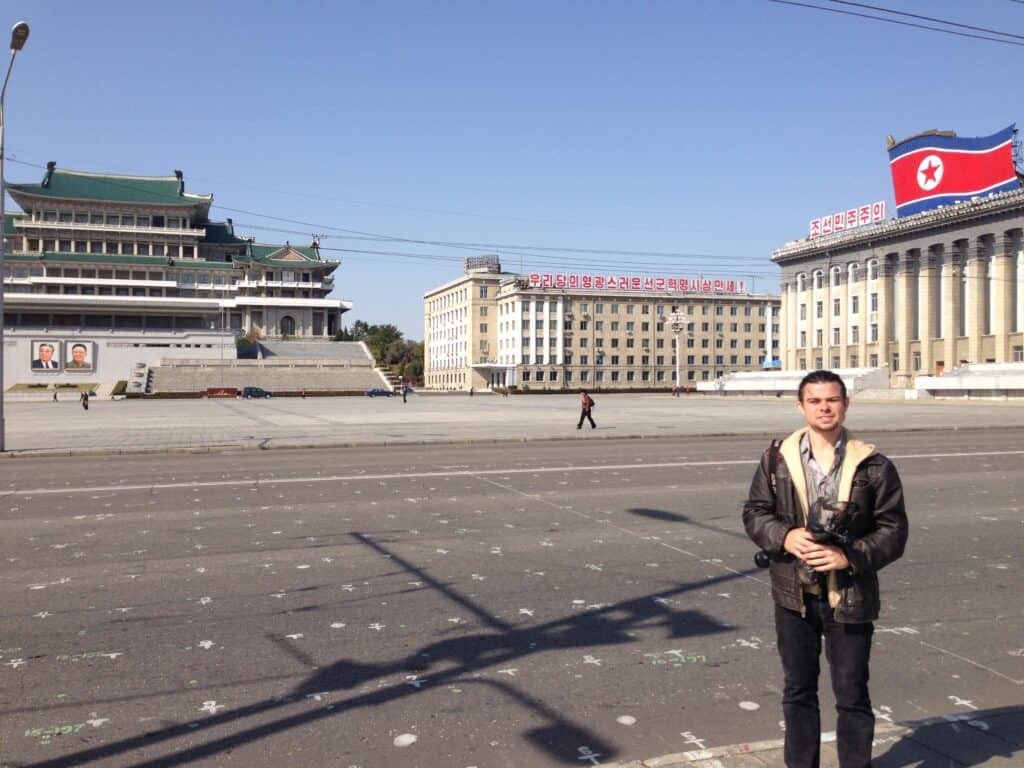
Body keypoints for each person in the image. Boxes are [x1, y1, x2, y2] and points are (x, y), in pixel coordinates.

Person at [742, 370, 907, 768]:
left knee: (851, 694)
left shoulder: (874, 465)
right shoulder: (776, 459)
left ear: (846, 404)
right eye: (815, 401)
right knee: (798, 691)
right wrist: (785, 536)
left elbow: (894, 531)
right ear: (801, 406)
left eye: (832, 399)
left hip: (849, 594)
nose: (824, 407)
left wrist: (848, 557)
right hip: (793, 595)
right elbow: (754, 513)